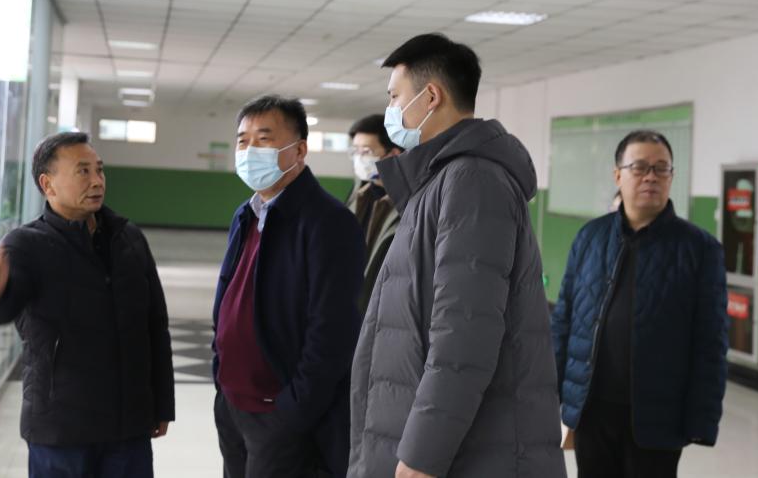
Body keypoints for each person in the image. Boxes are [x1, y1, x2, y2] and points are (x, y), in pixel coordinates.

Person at [348, 33, 566, 478]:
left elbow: (464, 334)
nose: (391, 109)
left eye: (395, 97)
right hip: (446, 443)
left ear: (430, 97)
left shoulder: (471, 182)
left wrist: (422, 454)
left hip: (468, 454)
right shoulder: (439, 180)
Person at [0, 132, 174, 478]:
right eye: (83, 171)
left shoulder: (129, 239)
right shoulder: (25, 245)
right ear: (47, 184)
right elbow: (0, 311)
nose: (97, 181)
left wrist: (162, 404)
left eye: (99, 170)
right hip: (61, 430)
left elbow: (155, 324)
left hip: (128, 427)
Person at [551, 130, 728, 478]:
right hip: (592, 410)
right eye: (640, 167)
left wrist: (702, 420)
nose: (651, 176)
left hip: (658, 416)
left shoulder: (699, 249)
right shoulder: (589, 238)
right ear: (618, 175)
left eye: (661, 168)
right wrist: (548, 395)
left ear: (671, 177)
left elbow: (711, 342)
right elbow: (564, 321)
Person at [213, 95, 365, 478]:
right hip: (233, 403)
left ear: (299, 150)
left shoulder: (328, 221)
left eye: (264, 139)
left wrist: (293, 410)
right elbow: (229, 296)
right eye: (243, 140)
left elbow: (332, 330)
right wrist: (220, 373)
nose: (249, 150)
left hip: (279, 414)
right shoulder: (246, 214)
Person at [345, 114, 403, 311]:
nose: (359, 158)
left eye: (367, 151)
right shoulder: (357, 198)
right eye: (355, 151)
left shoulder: (409, 205)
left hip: (384, 309)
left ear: (393, 154)